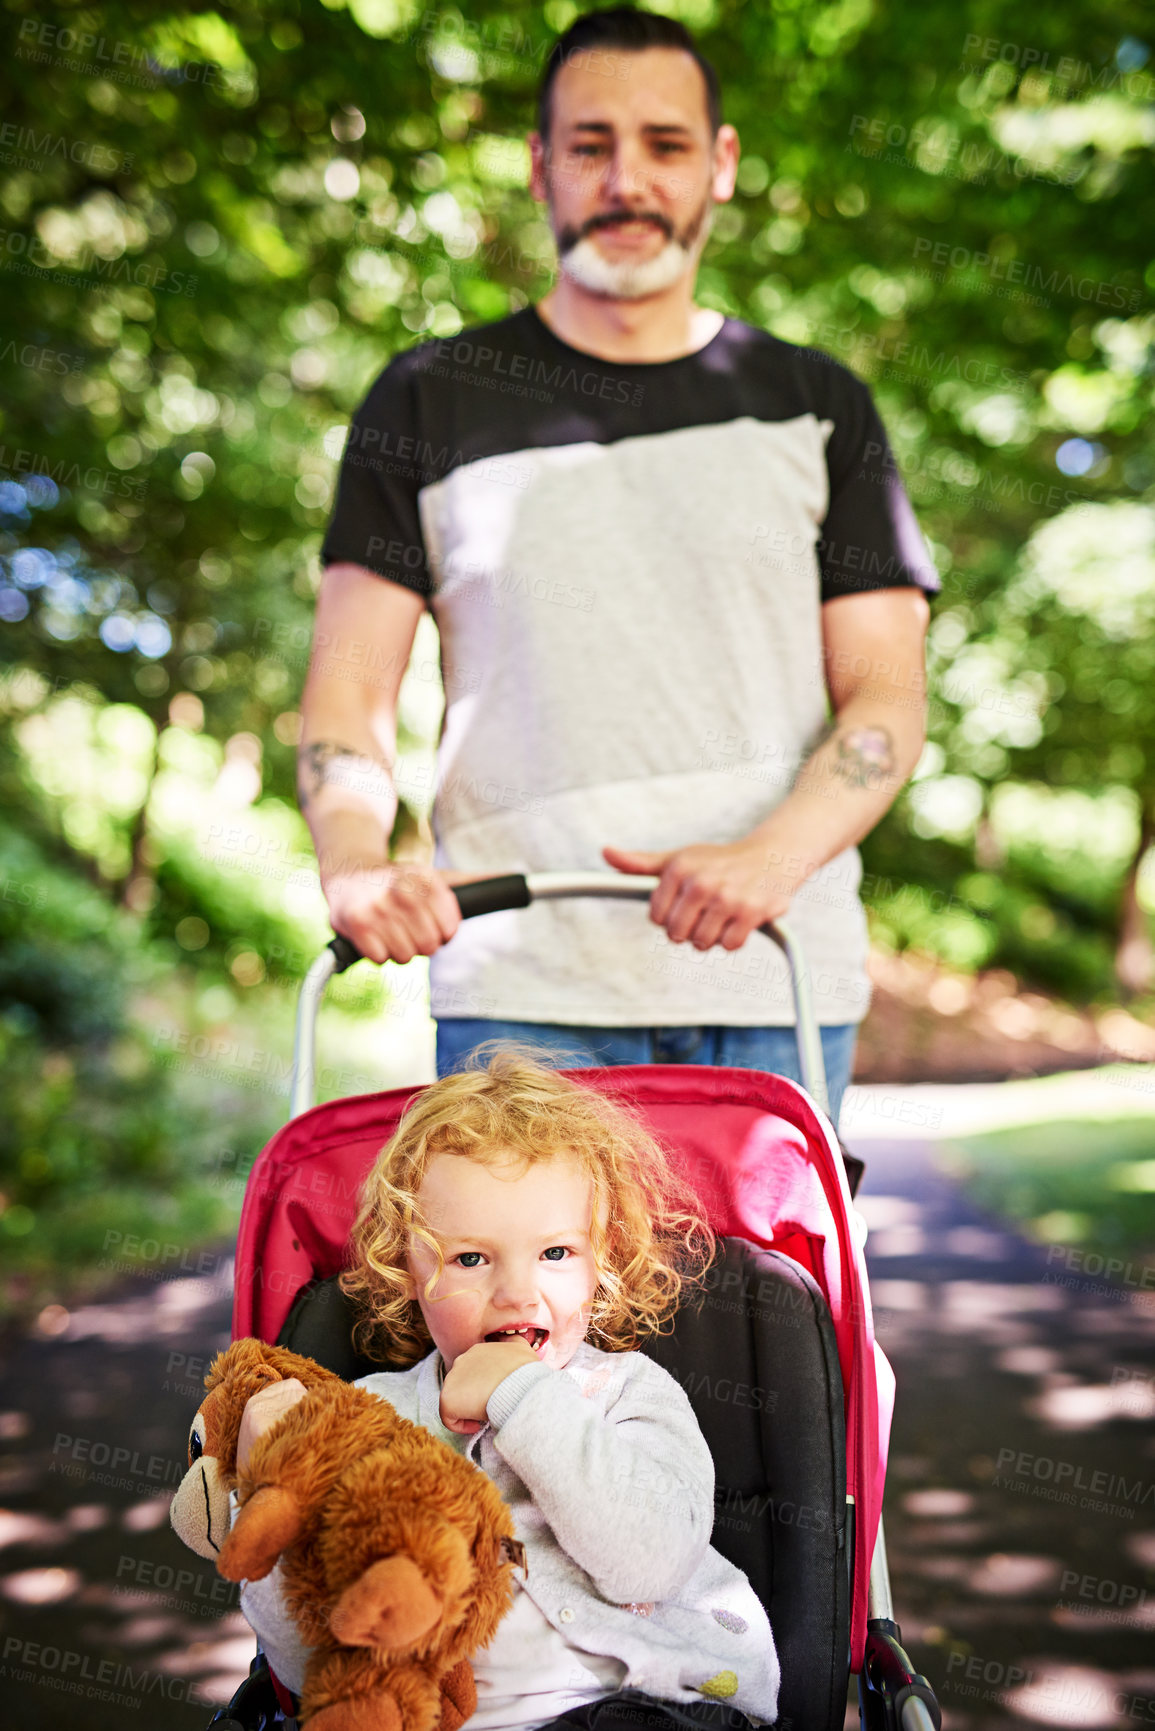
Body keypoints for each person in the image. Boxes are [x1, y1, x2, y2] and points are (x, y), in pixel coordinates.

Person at [298, 7, 937, 1124]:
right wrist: (357, 860)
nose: (627, 179)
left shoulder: (817, 403)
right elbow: (350, 689)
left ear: (721, 166)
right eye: (590, 146)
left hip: (776, 981)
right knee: (515, 1309)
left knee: (773, 1310)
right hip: (520, 993)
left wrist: (771, 859)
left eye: (666, 144)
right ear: (541, 169)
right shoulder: (426, 399)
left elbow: (885, 698)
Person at [236, 1050, 779, 1730]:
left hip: (654, 1706)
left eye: (555, 1252)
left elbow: (651, 1563)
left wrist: (523, 1394)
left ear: (598, 1259)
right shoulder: (365, 1419)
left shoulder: (627, 1394)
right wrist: (273, 1498)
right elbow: (307, 1656)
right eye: (470, 1258)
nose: (517, 1291)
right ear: (406, 1267)